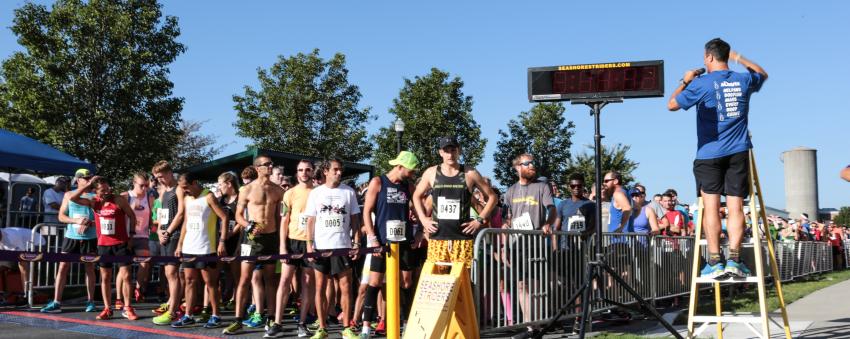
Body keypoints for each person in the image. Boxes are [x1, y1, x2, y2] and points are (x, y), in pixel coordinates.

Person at [668, 38, 768, 279]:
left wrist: (686, 81)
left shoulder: (701, 83)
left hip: (709, 154)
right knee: (735, 207)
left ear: (708, 57)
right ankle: (734, 259)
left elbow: (672, 104)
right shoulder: (743, 79)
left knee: (711, 208)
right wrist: (739, 58)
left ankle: (714, 261)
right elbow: (762, 74)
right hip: (738, 151)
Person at [359, 151, 420, 338]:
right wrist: (373, 239)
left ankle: (406, 323)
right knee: (375, 282)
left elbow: (419, 208)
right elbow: (367, 212)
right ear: (400, 167)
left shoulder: (408, 186)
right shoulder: (378, 182)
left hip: (404, 241)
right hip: (383, 242)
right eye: (411, 171)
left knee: (406, 282)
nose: (413, 174)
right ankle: (366, 326)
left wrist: (419, 232)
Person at [223, 155, 285, 335]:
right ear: (258, 168)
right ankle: (238, 320)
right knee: (244, 279)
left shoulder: (278, 190)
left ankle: (271, 318)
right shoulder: (247, 189)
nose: (270, 166)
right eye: (267, 165)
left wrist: (282, 240)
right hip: (251, 239)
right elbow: (238, 216)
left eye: (271, 164)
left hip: (271, 238)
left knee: (270, 280)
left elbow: (280, 218)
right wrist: (249, 225)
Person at [412, 136, 496, 267]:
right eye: (446, 151)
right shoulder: (431, 172)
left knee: (463, 282)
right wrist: (423, 219)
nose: (450, 154)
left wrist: (479, 220)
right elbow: (416, 195)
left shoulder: (470, 172)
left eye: (453, 150)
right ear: (440, 152)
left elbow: (493, 197)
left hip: (462, 238)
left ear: (459, 151)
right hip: (438, 238)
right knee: (439, 282)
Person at [303, 159, 361, 339]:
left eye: (340, 170)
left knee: (345, 287)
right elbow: (310, 220)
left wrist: (357, 242)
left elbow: (355, 220)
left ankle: (346, 327)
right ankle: (322, 327)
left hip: (342, 245)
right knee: (320, 287)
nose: (339, 173)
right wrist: (309, 245)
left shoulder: (349, 192)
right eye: (335, 169)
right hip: (321, 247)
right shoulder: (316, 193)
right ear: (326, 171)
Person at [69, 176, 138, 321]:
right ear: (95, 191)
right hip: (103, 245)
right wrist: (86, 185)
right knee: (105, 277)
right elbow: (73, 198)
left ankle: (128, 307)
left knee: (126, 275)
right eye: (102, 190)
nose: (106, 192)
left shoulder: (118, 199)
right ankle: (107, 308)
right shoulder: (94, 202)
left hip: (120, 243)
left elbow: (132, 216)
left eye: (108, 188)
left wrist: (131, 235)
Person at [502, 154, 556, 337]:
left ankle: (538, 323)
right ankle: (529, 326)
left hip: (536, 243)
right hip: (516, 243)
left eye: (533, 162)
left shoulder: (542, 187)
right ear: (518, 167)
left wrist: (548, 223)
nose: (532, 166)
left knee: (535, 285)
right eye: (527, 163)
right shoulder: (510, 191)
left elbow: (552, 209)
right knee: (521, 285)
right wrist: (504, 244)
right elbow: (506, 219)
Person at [170, 173, 229, 329]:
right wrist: (180, 245)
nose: (184, 191)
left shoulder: (208, 197)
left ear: (194, 182)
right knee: (189, 281)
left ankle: (216, 315)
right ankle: (188, 315)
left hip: (206, 247)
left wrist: (222, 241)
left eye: (185, 187)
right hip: (190, 247)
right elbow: (186, 222)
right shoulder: (187, 199)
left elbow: (224, 217)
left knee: (210, 283)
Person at [267, 159, 316, 338]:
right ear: (297, 173)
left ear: (313, 172)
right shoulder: (290, 193)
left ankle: (302, 323)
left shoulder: (318, 193)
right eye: (301, 170)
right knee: (285, 281)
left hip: (310, 242)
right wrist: (282, 246)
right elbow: (284, 221)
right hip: (292, 241)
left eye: (307, 170)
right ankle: (277, 323)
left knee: (308, 283)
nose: (304, 173)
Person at [41, 169, 98, 313]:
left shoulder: (95, 196)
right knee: (63, 267)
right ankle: (56, 301)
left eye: (90, 178)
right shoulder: (68, 195)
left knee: (89, 268)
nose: (88, 180)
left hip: (90, 237)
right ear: (78, 180)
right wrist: (76, 220)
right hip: (71, 236)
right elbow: (61, 217)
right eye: (85, 178)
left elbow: (101, 217)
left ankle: (90, 301)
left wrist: (90, 223)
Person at [151, 161, 187, 325]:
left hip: (175, 235)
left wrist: (169, 231)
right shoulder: (163, 190)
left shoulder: (179, 188)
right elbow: (160, 214)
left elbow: (181, 213)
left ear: (170, 173)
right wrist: (159, 231)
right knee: (168, 274)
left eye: (162, 176)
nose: (160, 180)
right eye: (157, 178)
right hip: (164, 235)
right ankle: (172, 304)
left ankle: (173, 311)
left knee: (173, 274)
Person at [121, 173, 154, 304]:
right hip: (127, 236)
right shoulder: (125, 196)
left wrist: (154, 226)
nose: (144, 189)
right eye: (141, 186)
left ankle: (138, 288)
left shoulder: (149, 198)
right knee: (124, 270)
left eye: (146, 186)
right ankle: (120, 298)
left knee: (144, 263)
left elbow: (150, 216)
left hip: (142, 235)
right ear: (134, 183)